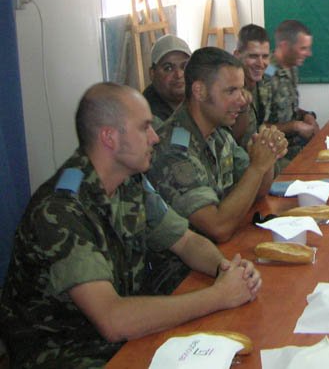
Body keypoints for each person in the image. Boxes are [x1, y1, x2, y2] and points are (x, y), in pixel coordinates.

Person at [0, 83, 262, 368]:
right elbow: (113, 320)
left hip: (118, 334)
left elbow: (185, 241)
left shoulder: (128, 181)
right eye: (144, 127)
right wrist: (218, 296)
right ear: (109, 137)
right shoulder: (60, 210)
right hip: (64, 351)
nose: (155, 137)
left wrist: (227, 270)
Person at [149, 47, 287, 244]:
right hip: (191, 261)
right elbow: (217, 228)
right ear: (199, 91)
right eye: (231, 91)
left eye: (241, 90)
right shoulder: (173, 151)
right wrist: (257, 167)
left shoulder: (218, 133)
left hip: (224, 247)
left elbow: (258, 192)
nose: (242, 101)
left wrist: (267, 154)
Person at [266, 20, 320, 161]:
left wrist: (306, 115)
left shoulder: (292, 68)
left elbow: (287, 108)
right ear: (284, 46)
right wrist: (295, 126)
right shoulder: (266, 74)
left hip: (295, 145)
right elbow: (258, 127)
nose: (309, 53)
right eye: (303, 48)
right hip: (275, 153)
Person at [231, 24, 272, 149]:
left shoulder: (265, 81)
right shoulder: (228, 90)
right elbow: (232, 140)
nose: (261, 64)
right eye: (253, 56)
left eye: (265, 56)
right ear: (237, 55)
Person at [142, 34, 192, 124]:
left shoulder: (197, 96)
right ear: (152, 74)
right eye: (168, 68)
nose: (179, 75)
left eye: (185, 66)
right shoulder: (148, 117)